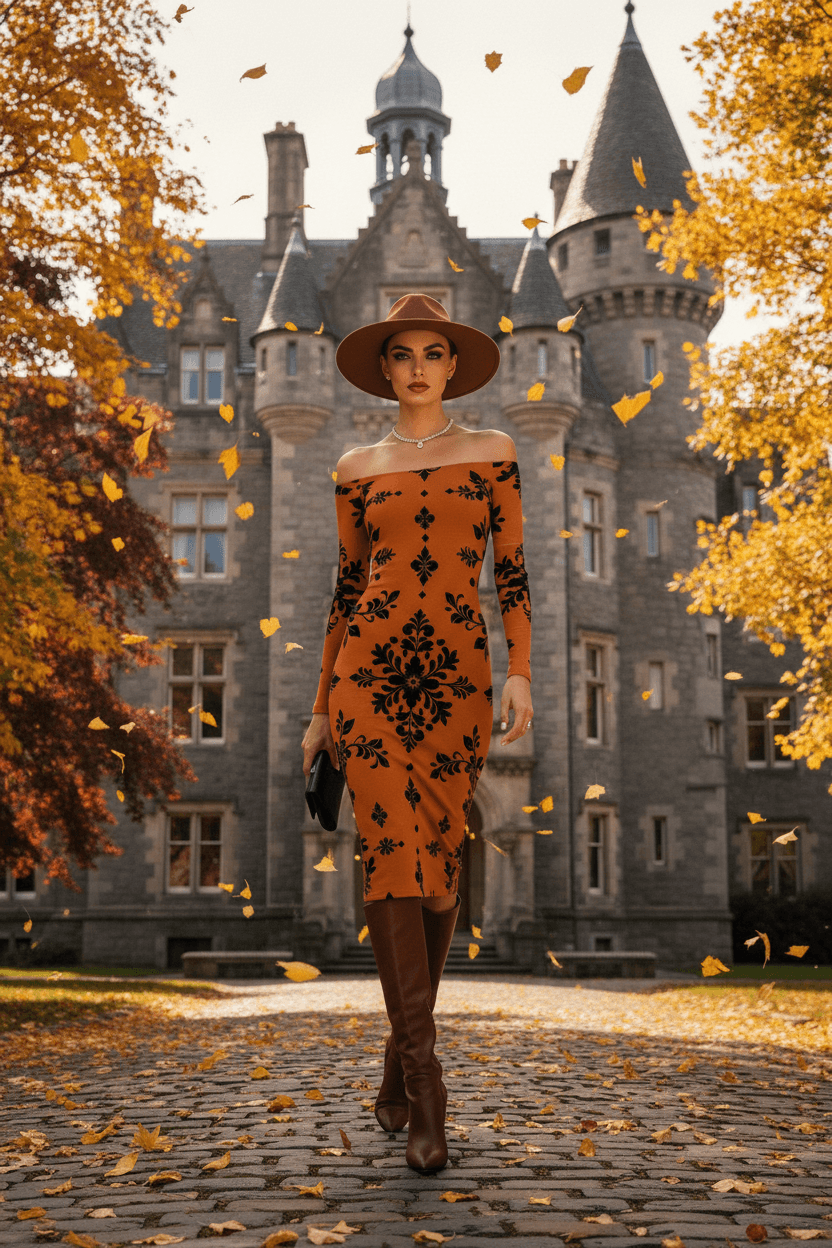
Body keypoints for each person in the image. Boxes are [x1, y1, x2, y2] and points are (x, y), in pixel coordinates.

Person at [301, 293, 533, 1174]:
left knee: (438, 880)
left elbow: (510, 573)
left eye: (435, 353)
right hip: (367, 677)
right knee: (392, 853)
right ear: (386, 369)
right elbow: (342, 592)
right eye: (403, 355)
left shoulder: (494, 454)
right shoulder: (354, 467)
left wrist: (519, 671)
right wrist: (322, 708)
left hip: (457, 683)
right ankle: (430, 1087)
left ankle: (396, 1066)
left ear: (453, 366)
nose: (420, 367)